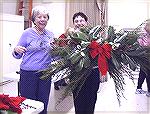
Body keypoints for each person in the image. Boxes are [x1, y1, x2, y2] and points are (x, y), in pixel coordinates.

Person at [12, 6, 54, 114]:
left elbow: (53, 55)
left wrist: (64, 51)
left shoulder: (50, 35)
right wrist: (16, 50)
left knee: (43, 103)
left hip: (46, 73)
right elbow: (17, 54)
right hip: (28, 74)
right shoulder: (27, 33)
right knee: (29, 104)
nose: (42, 19)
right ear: (34, 19)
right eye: (39, 17)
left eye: (45, 17)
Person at [58, 12, 100, 114]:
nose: (79, 23)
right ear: (73, 23)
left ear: (86, 22)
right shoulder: (69, 37)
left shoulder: (94, 35)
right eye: (76, 21)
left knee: (90, 101)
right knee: (78, 102)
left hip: (92, 73)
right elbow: (61, 51)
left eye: (81, 20)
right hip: (76, 74)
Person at [135, 20, 150, 97]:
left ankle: (139, 88)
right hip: (146, 57)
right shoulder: (145, 35)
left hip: (143, 57)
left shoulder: (143, 34)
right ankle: (148, 91)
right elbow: (145, 45)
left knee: (143, 73)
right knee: (147, 73)